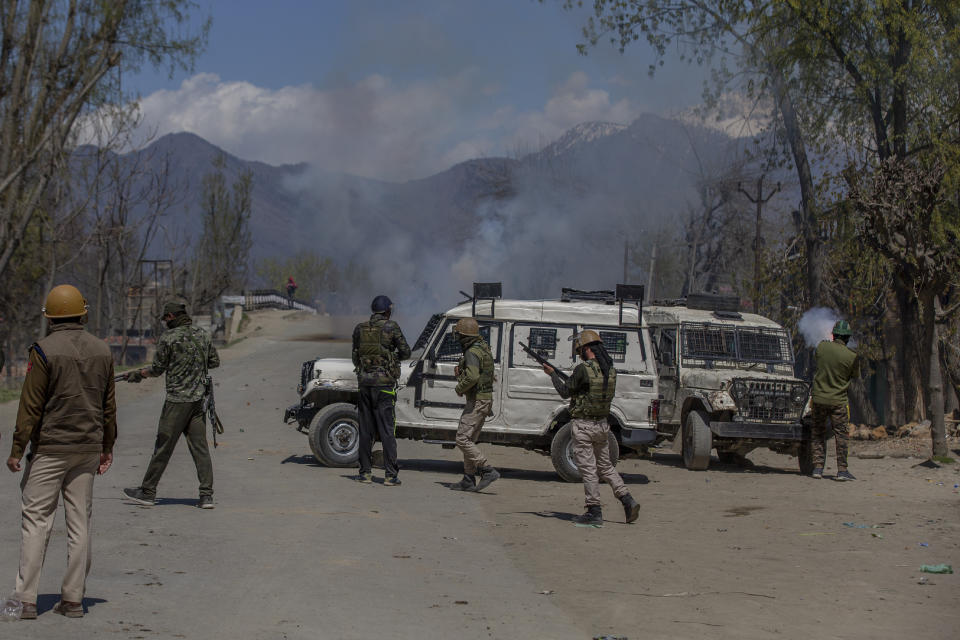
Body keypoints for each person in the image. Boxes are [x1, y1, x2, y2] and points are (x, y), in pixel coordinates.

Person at [6, 284, 116, 619]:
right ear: (83, 313)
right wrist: (106, 447)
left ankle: (24, 600)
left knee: (36, 520)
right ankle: (73, 600)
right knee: (80, 522)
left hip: (51, 449)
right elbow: (108, 407)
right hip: (87, 448)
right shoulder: (103, 350)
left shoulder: (43, 350)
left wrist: (17, 448)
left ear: (51, 317)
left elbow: (31, 405)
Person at [122, 300, 220, 508]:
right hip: (197, 402)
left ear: (171, 317)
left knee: (163, 447)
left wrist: (138, 375)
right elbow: (214, 362)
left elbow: (157, 369)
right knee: (200, 449)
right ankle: (206, 496)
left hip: (177, 402)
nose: (164, 322)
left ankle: (148, 492)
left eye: (165, 318)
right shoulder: (202, 335)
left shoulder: (169, 337)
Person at [541, 330, 640, 526]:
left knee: (587, 468)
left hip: (584, 426)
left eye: (580, 350)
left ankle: (594, 510)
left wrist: (552, 375)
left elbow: (564, 391)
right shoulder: (610, 370)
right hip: (602, 424)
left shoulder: (583, 369)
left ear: (586, 349)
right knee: (605, 466)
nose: (579, 354)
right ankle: (627, 499)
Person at [352, 295, 410, 485]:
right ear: (387, 311)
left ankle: (365, 474)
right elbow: (406, 352)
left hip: (365, 385)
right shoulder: (391, 327)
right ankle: (390, 475)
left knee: (366, 430)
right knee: (386, 431)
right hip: (384, 387)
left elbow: (355, 357)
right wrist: (390, 356)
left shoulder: (360, 328)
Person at [449, 317, 500, 492]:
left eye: (460, 336)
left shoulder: (472, 352)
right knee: (469, 439)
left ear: (465, 337)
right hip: (483, 399)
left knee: (462, 439)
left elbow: (472, 377)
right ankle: (468, 479)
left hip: (477, 400)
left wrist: (459, 387)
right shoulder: (483, 349)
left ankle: (487, 470)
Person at [810, 319, 860, 481]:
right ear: (847, 338)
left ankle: (817, 468)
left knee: (818, 433)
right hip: (838, 401)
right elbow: (854, 376)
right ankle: (842, 470)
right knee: (841, 436)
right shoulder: (851, 356)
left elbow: (816, 358)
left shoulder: (822, 347)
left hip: (819, 398)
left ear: (833, 335)